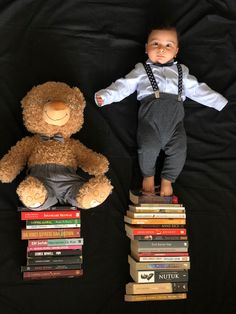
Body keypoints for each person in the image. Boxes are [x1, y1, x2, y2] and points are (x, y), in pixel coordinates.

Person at [94, 25, 228, 196]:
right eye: (155, 44)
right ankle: (148, 177)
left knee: (179, 150)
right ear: (146, 48)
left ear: (176, 51)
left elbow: (198, 90)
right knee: (147, 148)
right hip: (150, 123)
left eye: (168, 45)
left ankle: (168, 180)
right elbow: (124, 85)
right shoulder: (142, 70)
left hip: (175, 126)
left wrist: (219, 102)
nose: (161, 50)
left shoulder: (182, 71)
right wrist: (105, 96)